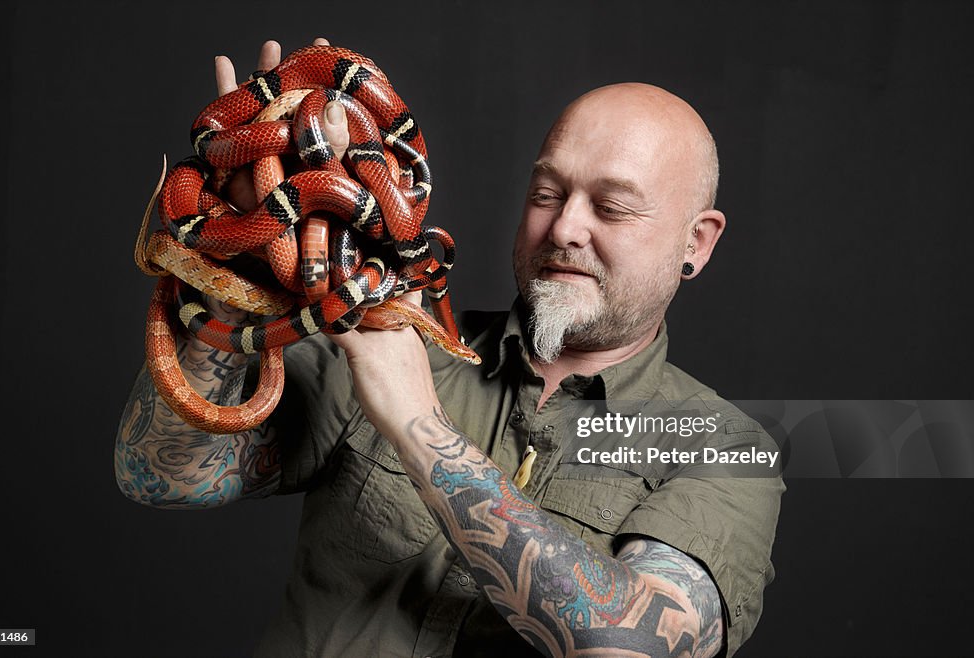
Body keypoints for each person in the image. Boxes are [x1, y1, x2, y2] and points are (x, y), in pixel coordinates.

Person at [116, 37, 783, 658]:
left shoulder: (720, 449)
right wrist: (240, 261)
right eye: (548, 194)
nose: (566, 228)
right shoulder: (383, 331)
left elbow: (629, 645)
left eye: (611, 207)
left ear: (697, 242)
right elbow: (162, 475)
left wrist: (416, 424)